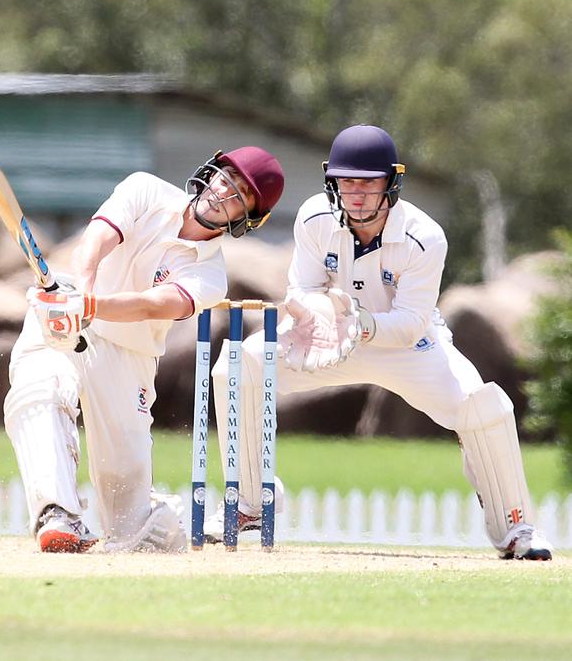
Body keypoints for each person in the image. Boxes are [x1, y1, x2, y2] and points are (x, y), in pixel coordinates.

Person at [205, 125, 553, 561]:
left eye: (368, 182)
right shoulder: (314, 218)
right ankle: (252, 503)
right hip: (329, 341)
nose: (357, 193)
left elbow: (409, 323)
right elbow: (302, 287)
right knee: (239, 366)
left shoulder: (423, 237)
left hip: (408, 348)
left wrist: (359, 323)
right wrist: (311, 315)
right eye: (347, 181)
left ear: (392, 182)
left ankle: (515, 530)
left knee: (483, 406)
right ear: (333, 181)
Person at [3, 146, 284, 553]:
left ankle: (166, 521)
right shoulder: (146, 189)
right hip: (64, 316)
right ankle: (57, 514)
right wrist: (80, 292)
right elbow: (97, 238)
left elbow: (154, 304)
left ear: (246, 218)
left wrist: (93, 306)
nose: (225, 192)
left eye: (241, 194)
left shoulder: (211, 275)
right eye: (227, 178)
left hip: (129, 356)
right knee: (39, 389)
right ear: (211, 171)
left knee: (130, 522)